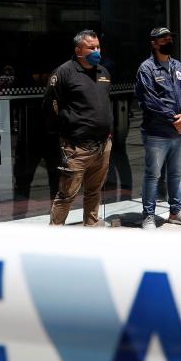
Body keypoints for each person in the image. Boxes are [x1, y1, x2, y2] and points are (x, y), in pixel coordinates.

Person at [43, 30, 113, 227]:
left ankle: (91, 229)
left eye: (98, 46)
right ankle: (54, 236)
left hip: (102, 146)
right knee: (66, 195)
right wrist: (67, 132)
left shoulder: (103, 72)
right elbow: (50, 105)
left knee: (94, 192)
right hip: (76, 148)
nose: (96, 50)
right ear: (78, 49)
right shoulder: (64, 72)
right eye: (91, 47)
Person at [134, 27, 181, 230]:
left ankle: (175, 212)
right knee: (153, 175)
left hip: (180, 132)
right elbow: (149, 101)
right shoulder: (146, 68)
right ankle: (148, 216)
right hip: (157, 133)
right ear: (153, 43)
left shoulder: (178, 66)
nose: (168, 41)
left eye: (170, 38)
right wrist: (175, 119)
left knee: (176, 174)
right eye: (163, 39)